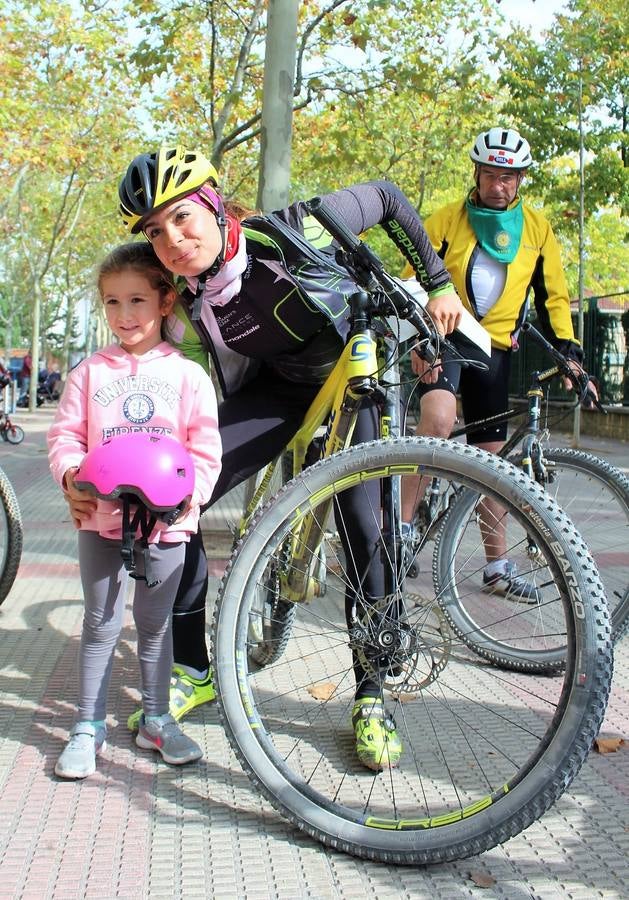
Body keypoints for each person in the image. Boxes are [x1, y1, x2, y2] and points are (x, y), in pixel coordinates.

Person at [65, 145, 463, 771]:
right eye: (155, 229)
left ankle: (372, 694)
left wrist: (438, 282)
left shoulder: (288, 232)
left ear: (213, 203)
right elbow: (139, 361)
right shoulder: (180, 290)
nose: (171, 239)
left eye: (182, 218)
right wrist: (84, 464)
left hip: (354, 377)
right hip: (279, 389)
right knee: (174, 495)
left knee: (366, 530)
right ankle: (194, 667)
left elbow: (386, 195)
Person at [48, 242, 222, 779]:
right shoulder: (88, 373)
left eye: (137, 301)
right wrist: (70, 475)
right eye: (112, 303)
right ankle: (87, 725)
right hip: (100, 520)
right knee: (100, 622)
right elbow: (64, 437)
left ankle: (156, 718)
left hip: (167, 522)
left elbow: (205, 448)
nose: (124, 316)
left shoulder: (188, 376)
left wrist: (193, 494)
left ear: (166, 301)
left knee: (154, 625)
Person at [401, 126, 597, 598]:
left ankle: (496, 566)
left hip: (495, 349)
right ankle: (399, 533)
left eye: (509, 177)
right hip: (444, 338)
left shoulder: (537, 228)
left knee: (492, 459)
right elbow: (409, 282)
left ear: (521, 179)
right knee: (437, 421)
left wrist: (570, 352)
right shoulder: (447, 219)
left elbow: (554, 297)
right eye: (491, 174)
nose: (499, 185)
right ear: (477, 172)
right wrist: (416, 342)